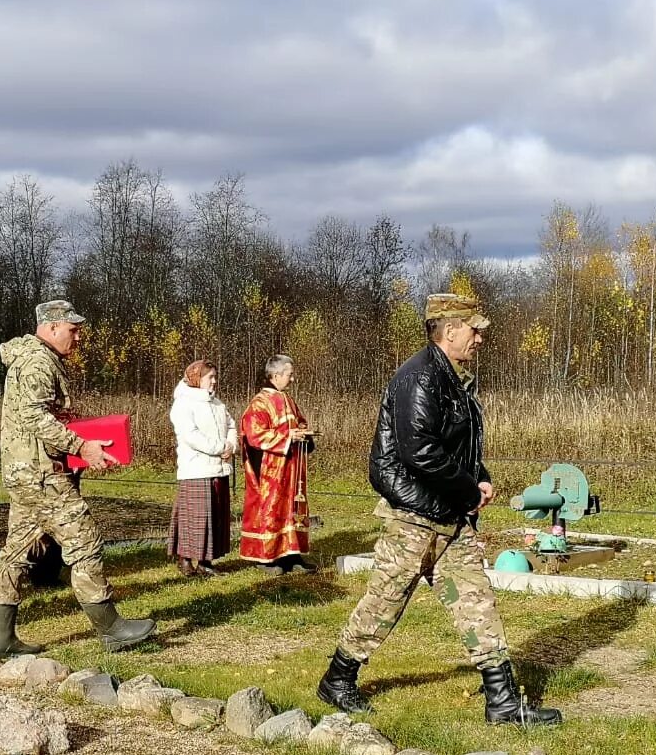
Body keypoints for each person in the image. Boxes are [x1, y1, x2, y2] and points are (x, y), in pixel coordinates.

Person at [316, 293, 562, 727]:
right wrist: (469, 490)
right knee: (384, 601)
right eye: (475, 329)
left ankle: (503, 704)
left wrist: (478, 476)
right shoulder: (420, 377)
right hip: (414, 514)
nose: (480, 337)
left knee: (476, 601)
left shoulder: (451, 378)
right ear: (450, 331)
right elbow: (420, 453)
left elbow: (456, 446)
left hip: (449, 515)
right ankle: (338, 679)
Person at [0, 300, 157, 657]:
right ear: (51, 328)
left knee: (17, 552)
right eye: (73, 330)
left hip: (28, 473)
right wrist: (83, 446)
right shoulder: (37, 362)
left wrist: (73, 425)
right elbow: (35, 419)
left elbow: (41, 415)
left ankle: (0, 640)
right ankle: (111, 628)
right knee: (84, 541)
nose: (78, 338)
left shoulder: (37, 359)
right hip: (42, 475)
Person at [240, 355, 316, 575]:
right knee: (272, 509)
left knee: (294, 508)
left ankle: (292, 554)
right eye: (289, 375)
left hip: (292, 467)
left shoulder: (288, 400)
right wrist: (287, 438)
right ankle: (267, 558)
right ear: (275, 375)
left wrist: (303, 434)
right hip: (270, 469)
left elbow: (300, 423)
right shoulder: (259, 402)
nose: (292, 379)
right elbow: (254, 435)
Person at [167, 359, 237, 576]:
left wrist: (231, 446)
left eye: (215, 377)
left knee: (214, 517)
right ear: (197, 379)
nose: (214, 382)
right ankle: (185, 559)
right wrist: (219, 448)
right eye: (210, 378)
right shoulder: (183, 404)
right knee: (194, 518)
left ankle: (207, 563)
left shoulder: (217, 404)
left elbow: (232, 425)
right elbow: (191, 436)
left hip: (219, 467)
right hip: (196, 469)